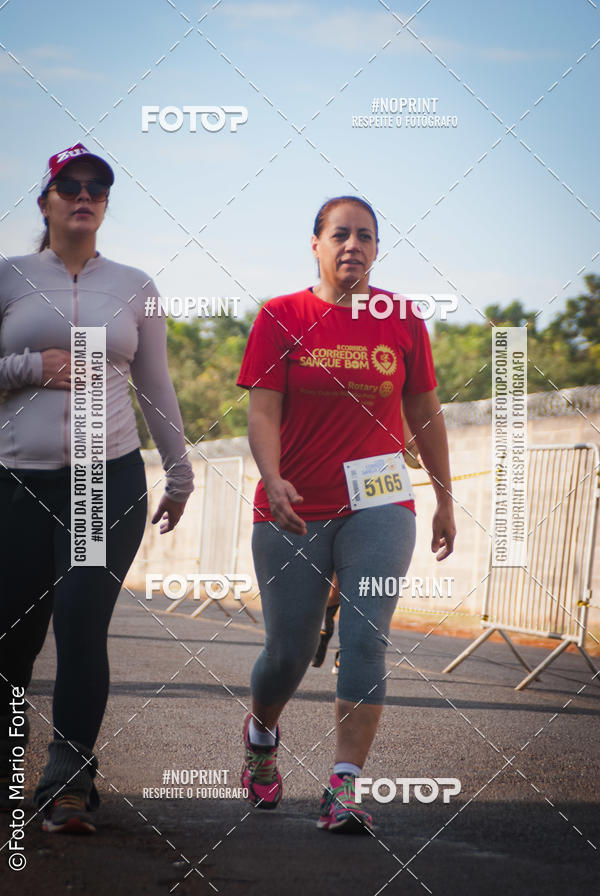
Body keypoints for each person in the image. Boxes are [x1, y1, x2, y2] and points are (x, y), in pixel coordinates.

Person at [236, 195, 455, 833]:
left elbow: (424, 412)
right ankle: (261, 735)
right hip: (294, 503)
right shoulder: (281, 315)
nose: (352, 245)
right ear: (316, 245)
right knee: (289, 650)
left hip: (381, 499)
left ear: (377, 248)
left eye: (365, 235)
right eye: (340, 234)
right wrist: (272, 478)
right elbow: (263, 410)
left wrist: (444, 498)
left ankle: (344, 786)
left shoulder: (402, 317)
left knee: (365, 636)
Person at [0, 143, 194, 834]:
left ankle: (68, 780)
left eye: (98, 188)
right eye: (71, 185)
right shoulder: (9, 277)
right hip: (16, 481)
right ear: (46, 201)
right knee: (12, 637)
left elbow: (156, 386)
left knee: (81, 622)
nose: (85, 195)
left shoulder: (135, 286)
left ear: (105, 205)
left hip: (100, 480)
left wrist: (180, 471)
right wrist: (32, 366)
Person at [311, 416, 421, 670]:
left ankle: (349, 649)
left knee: (363, 581)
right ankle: (324, 621)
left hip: (377, 491)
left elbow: (412, 450)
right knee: (334, 583)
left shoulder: (390, 398)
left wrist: (416, 449)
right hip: (326, 486)